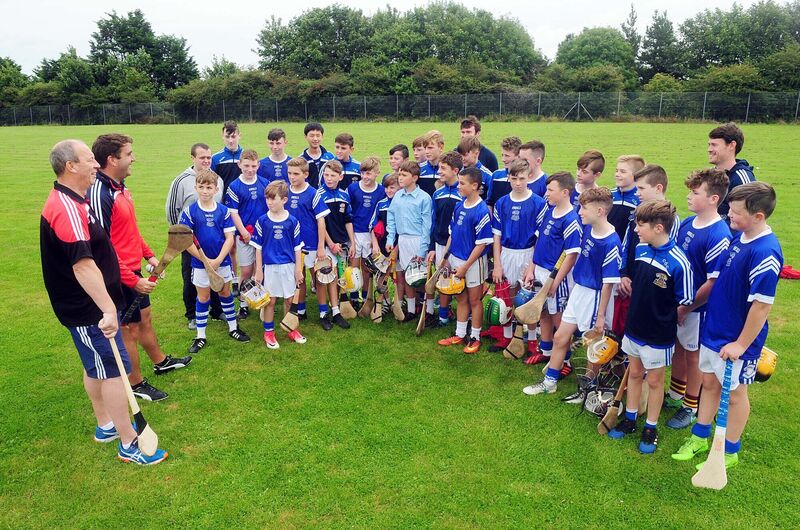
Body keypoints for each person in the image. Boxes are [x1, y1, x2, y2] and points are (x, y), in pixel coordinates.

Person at [41, 139, 168, 465]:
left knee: (95, 366)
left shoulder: (77, 199)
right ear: (71, 166)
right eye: (88, 160)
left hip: (92, 305)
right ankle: (128, 443)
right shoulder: (66, 207)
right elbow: (82, 265)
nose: (96, 164)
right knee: (114, 370)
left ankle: (105, 425)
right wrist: (108, 309)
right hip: (86, 309)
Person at [672, 182, 781, 470]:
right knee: (709, 384)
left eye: (734, 212)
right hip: (713, 329)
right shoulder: (738, 237)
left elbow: (761, 306)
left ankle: (730, 451)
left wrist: (741, 344)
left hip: (736, 341)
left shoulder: (766, 253)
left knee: (734, 395)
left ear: (758, 216)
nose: (728, 216)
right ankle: (699, 438)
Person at [90, 134, 190, 403]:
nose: (134, 157)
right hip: (116, 277)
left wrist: (149, 256)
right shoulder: (101, 194)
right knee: (127, 330)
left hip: (132, 270)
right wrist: (131, 280)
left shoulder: (120, 187)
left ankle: (161, 362)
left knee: (144, 319)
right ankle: (135, 383)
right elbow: (102, 247)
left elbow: (129, 231)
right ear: (112, 159)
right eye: (129, 153)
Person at [607, 200, 693, 454]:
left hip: (658, 334)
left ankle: (651, 427)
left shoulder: (680, 263)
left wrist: (666, 318)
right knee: (634, 373)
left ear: (658, 228)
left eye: (640, 225)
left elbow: (685, 300)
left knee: (655, 381)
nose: (635, 230)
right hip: (634, 327)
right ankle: (631, 419)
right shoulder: (642, 250)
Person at [523, 187, 620, 398]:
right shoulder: (587, 228)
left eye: (584, 208)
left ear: (600, 211)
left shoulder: (611, 242)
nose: (580, 212)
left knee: (593, 347)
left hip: (595, 297)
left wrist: (601, 316)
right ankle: (550, 382)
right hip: (578, 293)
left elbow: (608, 284)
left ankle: (588, 390)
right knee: (560, 337)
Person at [666, 169, 732, 430]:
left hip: (697, 309)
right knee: (680, 348)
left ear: (714, 198)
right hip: (680, 304)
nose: (689, 197)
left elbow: (713, 282)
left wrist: (687, 306)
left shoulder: (719, 235)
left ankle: (691, 405)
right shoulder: (687, 224)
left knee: (693, 354)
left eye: (695, 192)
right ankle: (675, 394)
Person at [180, 169, 251, 353]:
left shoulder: (224, 211)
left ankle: (233, 328)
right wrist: (205, 261)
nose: (205, 191)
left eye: (209, 187)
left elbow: (229, 239)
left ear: (216, 189)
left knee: (225, 293)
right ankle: (201, 336)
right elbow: (186, 241)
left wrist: (218, 259)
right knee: (203, 297)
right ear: (196, 188)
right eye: (201, 187)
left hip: (223, 263)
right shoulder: (190, 212)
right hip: (200, 264)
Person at [522, 172, 582, 366]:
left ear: (565, 192)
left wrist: (555, 282)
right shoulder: (550, 210)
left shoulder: (571, 219)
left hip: (557, 278)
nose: (546, 193)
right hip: (540, 270)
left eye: (550, 190)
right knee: (544, 313)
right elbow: (539, 241)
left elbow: (571, 255)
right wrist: (531, 267)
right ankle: (546, 351)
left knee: (559, 320)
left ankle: (565, 362)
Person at [165, 143, 224, 330]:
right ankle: (192, 314)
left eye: (209, 157)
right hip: (190, 242)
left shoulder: (217, 180)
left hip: (213, 240)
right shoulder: (181, 181)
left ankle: (217, 310)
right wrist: (182, 236)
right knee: (191, 277)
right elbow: (172, 211)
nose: (206, 161)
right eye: (202, 157)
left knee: (215, 271)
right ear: (193, 158)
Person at [616, 164, 680, 337]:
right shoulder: (638, 212)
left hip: (649, 288)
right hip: (628, 282)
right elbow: (626, 244)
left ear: (658, 188)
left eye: (641, 188)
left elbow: (664, 256)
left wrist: (640, 282)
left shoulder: (670, 220)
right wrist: (623, 274)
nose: (637, 193)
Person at [489, 159, 547, 351]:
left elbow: (540, 240)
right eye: (514, 178)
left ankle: (531, 340)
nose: (518, 183)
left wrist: (532, 266)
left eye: (522, 178)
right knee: (506, 296)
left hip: (528, 254)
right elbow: (496, 236)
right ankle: (507, 337)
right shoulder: (502, 203)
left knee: (527, 299)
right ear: (509, 178)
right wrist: (497, 264)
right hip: (507, 253)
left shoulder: (538, 203)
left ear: (529, 177)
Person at [436, 167, 493, 354]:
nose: (458, 186)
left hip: (473, 263)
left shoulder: (482, 211)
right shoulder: (459, 205)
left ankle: (475, 337)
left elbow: (481, 245)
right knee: (460, 297)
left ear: (475, 186)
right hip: (455, 258)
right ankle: (460, 334)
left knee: (475, 300)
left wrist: (465, 266)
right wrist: (446, 257)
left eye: (462, 183)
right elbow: (452, 233)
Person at [252, 181, 307, 348]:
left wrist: (298, 269)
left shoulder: (292, 221)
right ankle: (268, 333)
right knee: (270, 301)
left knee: (290, 301)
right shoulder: (262, 221)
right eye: (267, 198)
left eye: (272, 198)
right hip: (270, 267)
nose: (269, 202)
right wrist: (258, 271)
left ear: (284, 200)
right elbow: (258, 248)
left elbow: (297, 248)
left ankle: (291, 328)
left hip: (288, 266)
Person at [386, 160, 433, 322]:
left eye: (404, 175)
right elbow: (391, 218)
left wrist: (422, 249)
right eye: (399, 174)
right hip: (403, 240)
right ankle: (411, 311)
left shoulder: (424, 198)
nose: (400, 178)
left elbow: (427, 226)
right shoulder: (398, 195)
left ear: (414, 178)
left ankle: (429, 310)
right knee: (407, 276)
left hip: (418, 240)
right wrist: (390, 238)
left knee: (422, 278)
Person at [225, 149, 268, 319]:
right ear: (239, 165)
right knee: (246, 270)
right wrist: (243, 232)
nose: (250, 169)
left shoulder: (265, 183)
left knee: (262, 268)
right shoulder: (234, 186)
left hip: (263, 235)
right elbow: (233, 212)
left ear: (258, 165)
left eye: (253, 166)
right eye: (246, 166)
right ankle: (243, 304)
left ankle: (262, 298)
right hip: (244, 236)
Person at [287, 157, 329, 322]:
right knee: (299, 278)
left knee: (318, 278)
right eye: (289, 173)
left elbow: (321, 221)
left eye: (296, 174)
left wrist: (320, 246)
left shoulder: (313, 193)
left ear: (305, 174)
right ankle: (301, 310)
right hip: (292, 245)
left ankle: (323, 313)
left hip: (311, 244)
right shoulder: (285, 192)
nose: (292, 177)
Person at [427, 152, 464, 327]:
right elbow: (434, 221)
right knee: (443, 279)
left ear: (455, 170)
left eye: (443, 168)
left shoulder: (463, 193)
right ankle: (443, 316)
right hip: (440, 243)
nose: (439, 171)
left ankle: (466, 318)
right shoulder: (438, 193)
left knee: (460, 281)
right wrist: (432, 247)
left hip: (459, 247)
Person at [317, 159, 355, 330]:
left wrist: (352, 242)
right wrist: (331, 244)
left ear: (340, 176)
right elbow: (320, 224)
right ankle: (323, 313)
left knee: (336, 279)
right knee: (324, 279)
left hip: (342, 245)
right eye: (326, 175)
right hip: (326, 245)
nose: (329, 179)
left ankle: (336, 312)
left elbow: (348, 220)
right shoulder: (318, 195)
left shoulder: (344, 195)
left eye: (332, 176)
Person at [348, 156, 386, 309]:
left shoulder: (381, 191)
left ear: (377, 173)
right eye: (363, 173)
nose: (365, 177)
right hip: (355, 233)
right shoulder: (353, 188)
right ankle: (353, 296)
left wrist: (375, 236)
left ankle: (365, 297)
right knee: (353, 266)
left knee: (367, 267)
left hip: (370, 235)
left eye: (369, 174)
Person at [707, 122, 756, 226]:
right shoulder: (709, 175)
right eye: (709, 144)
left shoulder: (742, 179)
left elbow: (748, 219)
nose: (709, 149)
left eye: (714, 145)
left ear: (731, 145)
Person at [608, 155, 645, 241]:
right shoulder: (608, 195)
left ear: (636, 175)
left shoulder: (641, 199)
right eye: (616, 171)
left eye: (623, 172)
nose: (617, 174)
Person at [486, 136, 522, 209]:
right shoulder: (496, 176)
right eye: (502, 155)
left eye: (507, 156)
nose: (503, 159)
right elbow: (490, 203)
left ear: (518, 156)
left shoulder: (525, 178)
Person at [211, 120, 244, 195]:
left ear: (239, 136)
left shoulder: (246, 156)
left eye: (233, 136)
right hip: (223, 202)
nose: (230, 140)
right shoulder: (215, 158)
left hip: (243, 201)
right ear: (222, 136)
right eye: (227, 136)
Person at [456, 135, 493, 202]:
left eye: (465, 155)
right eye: (460, 155)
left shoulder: (487, 176)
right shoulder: (457, 172)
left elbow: (491, 200)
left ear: (476, 153)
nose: (462, 158)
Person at [299, 122, 334, 189]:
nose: (315, 139)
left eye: (318, 135)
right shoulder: (301, 159)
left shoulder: (330, 157)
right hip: (310, 196)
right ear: (305, 137)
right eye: (312, 136)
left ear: (322, 136)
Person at [418, 130, 445, 196]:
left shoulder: (449, 169)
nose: (426, 151)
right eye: (425, 148)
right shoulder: (419, 168)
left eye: (430, 148)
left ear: (441, 147)